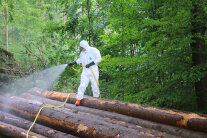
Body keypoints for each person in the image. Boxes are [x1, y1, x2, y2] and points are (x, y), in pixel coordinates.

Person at [68, 40, 102, 106]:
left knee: (95, 86)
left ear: (85, 46)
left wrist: (91, 63)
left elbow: (99, 58)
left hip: (93, 71)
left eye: (82, 47)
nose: (82, 48)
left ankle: (96, 99)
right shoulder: (82, 53)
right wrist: (73, 63)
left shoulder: (94, 50)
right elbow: (80, 60)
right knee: (82, 85)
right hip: (85, 72)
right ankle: (78, 99)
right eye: (81, 47)